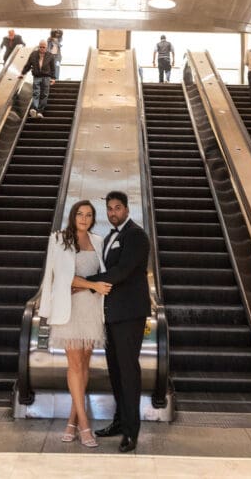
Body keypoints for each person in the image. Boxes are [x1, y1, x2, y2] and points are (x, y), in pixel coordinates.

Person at [37, 201, 112, 449]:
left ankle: (71, 420)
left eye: (89, 215)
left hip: (91, 309)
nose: (84, 218)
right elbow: (57, 277)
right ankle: (84, 424)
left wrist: (89, 285)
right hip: (68, 311)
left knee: (85, 363)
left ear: (93, 219)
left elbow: (100, 276)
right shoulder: (58, 239)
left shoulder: (98, 241)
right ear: (73, 216)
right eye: (80, 213)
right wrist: (90, 285)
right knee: (75, 364)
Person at [85, 191, 151, 453]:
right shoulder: (112, 236)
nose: (113, 213)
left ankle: (131, 432)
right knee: (115, 371)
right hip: (112, 315)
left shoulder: (135, 236)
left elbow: (121, 272)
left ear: (127, 209)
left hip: (129, 314)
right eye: (109, 209)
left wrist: (85, 283)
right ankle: (119, 422)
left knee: (128, 372)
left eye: (117, 208)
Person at [22, 40, 56, 118]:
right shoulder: (33, 54)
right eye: (40, 47)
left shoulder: (50, 55)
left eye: (43, 47)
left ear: (46, 47)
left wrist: (53, 78)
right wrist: (23, 73)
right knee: (36, 93)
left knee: (44, 94)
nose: (42, 48)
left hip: (46, 77)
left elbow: (53, 68)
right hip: (37, 76)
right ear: (39, 46)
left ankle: (40, 111)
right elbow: (28, 65)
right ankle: (34, 109)